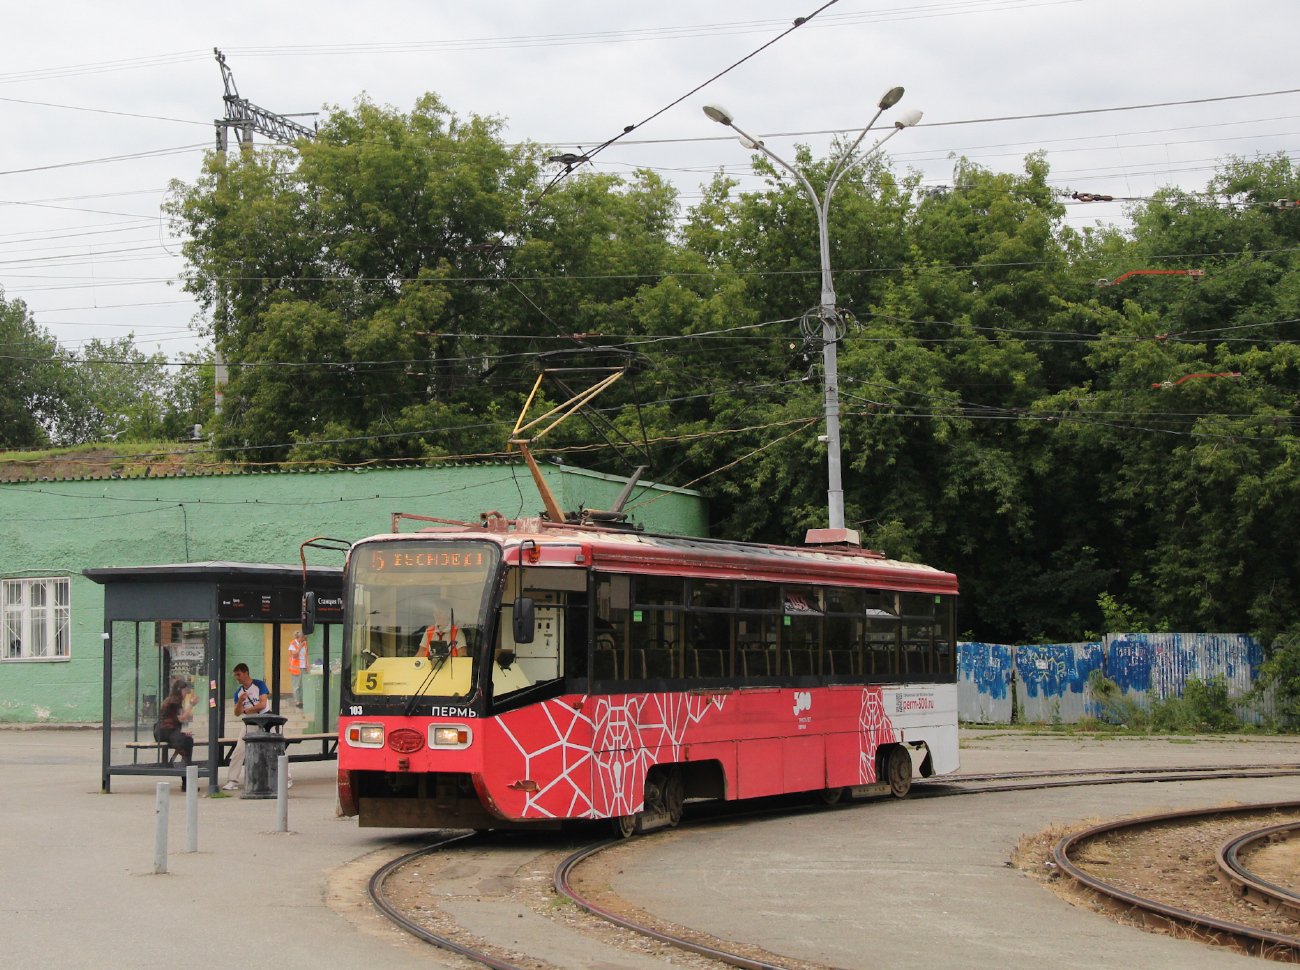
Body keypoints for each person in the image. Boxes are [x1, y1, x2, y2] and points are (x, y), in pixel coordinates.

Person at [223, 662, 270, 791]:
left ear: (246, 673)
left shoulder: (259, 685)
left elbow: (263, 704)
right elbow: (236, 712)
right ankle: (232, 780)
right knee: (239, 750)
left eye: (239, 675)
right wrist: (240, 702)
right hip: (250, 723)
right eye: (235, 675)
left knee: (274, 749)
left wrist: (247, 710)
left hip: (265, 720)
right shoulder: (239, 692)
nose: (237, 678)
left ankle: (286, 778)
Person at [153, 678, 194, 766]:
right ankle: (187, 767)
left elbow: (174, 721)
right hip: (165, 731)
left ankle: (186, 766)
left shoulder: (171, 700)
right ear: (179, 690)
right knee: (187, 741)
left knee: (185, 739)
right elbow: (181, 718)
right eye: (185, 690)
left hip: (162, 732)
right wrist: (192, 705)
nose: (186, 693)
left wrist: (181, 733)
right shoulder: (174, 701)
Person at [287, 630, 309, 708]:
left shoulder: (305, 643)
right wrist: (299, 647)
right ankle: (297, 702)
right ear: (300, 637)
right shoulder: (293, 644)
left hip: (304, 667)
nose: (304, 640)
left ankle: (303, 700)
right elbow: (294, 655)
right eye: (303, 638)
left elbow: (305, 655)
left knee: (303, 685)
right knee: (297, 685)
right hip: (296, 668)